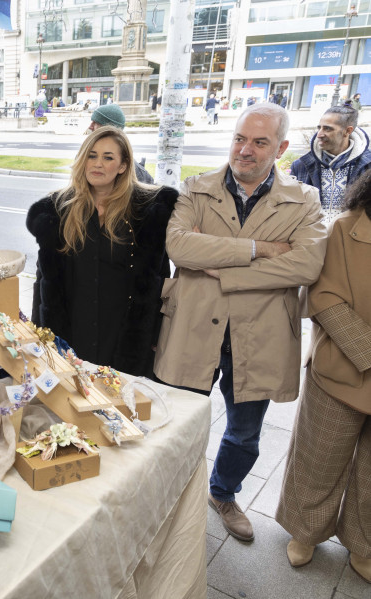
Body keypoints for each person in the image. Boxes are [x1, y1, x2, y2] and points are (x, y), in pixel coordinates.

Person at [154, 103, 327, 543]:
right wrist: (259, 249)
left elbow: (305, 266)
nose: (245, 150)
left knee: (245, 433)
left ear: (282, 147)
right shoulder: (196, 188)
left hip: (260, 335)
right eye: (239, 138)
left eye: (259, 142)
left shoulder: (303, 199)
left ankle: (223, 493)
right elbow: (179, 246)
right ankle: (165, 496)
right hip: (194, 326)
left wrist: (225, 268)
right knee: (176, 422)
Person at [275, 169, 371, 580]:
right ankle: (305, 531)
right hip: (342, 367)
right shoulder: (347, 229)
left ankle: (364, 544)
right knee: (319, 458)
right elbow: (324, 296)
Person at [27, 126, 178, 377]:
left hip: (124, 335)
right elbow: (45, 280)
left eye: (108, 157)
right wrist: (38, 333)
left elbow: (159, 280)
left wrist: (156, 335)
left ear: (122, 166)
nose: (97, 164)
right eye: (92, 155)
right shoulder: (58, 211)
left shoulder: (147, 213)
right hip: (73, 331)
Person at [290, 105, 371, 225]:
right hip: (310, 237)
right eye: (319, 128)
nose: (319, 134)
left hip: (351, 238)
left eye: (327, 129)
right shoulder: (301, 166)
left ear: (348, 131)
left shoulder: (368, 167)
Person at [88, 104, 154, 184]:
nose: (90, 127)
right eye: (92, 156)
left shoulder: (138, 174)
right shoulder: (83, 156)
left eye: (95, 123)